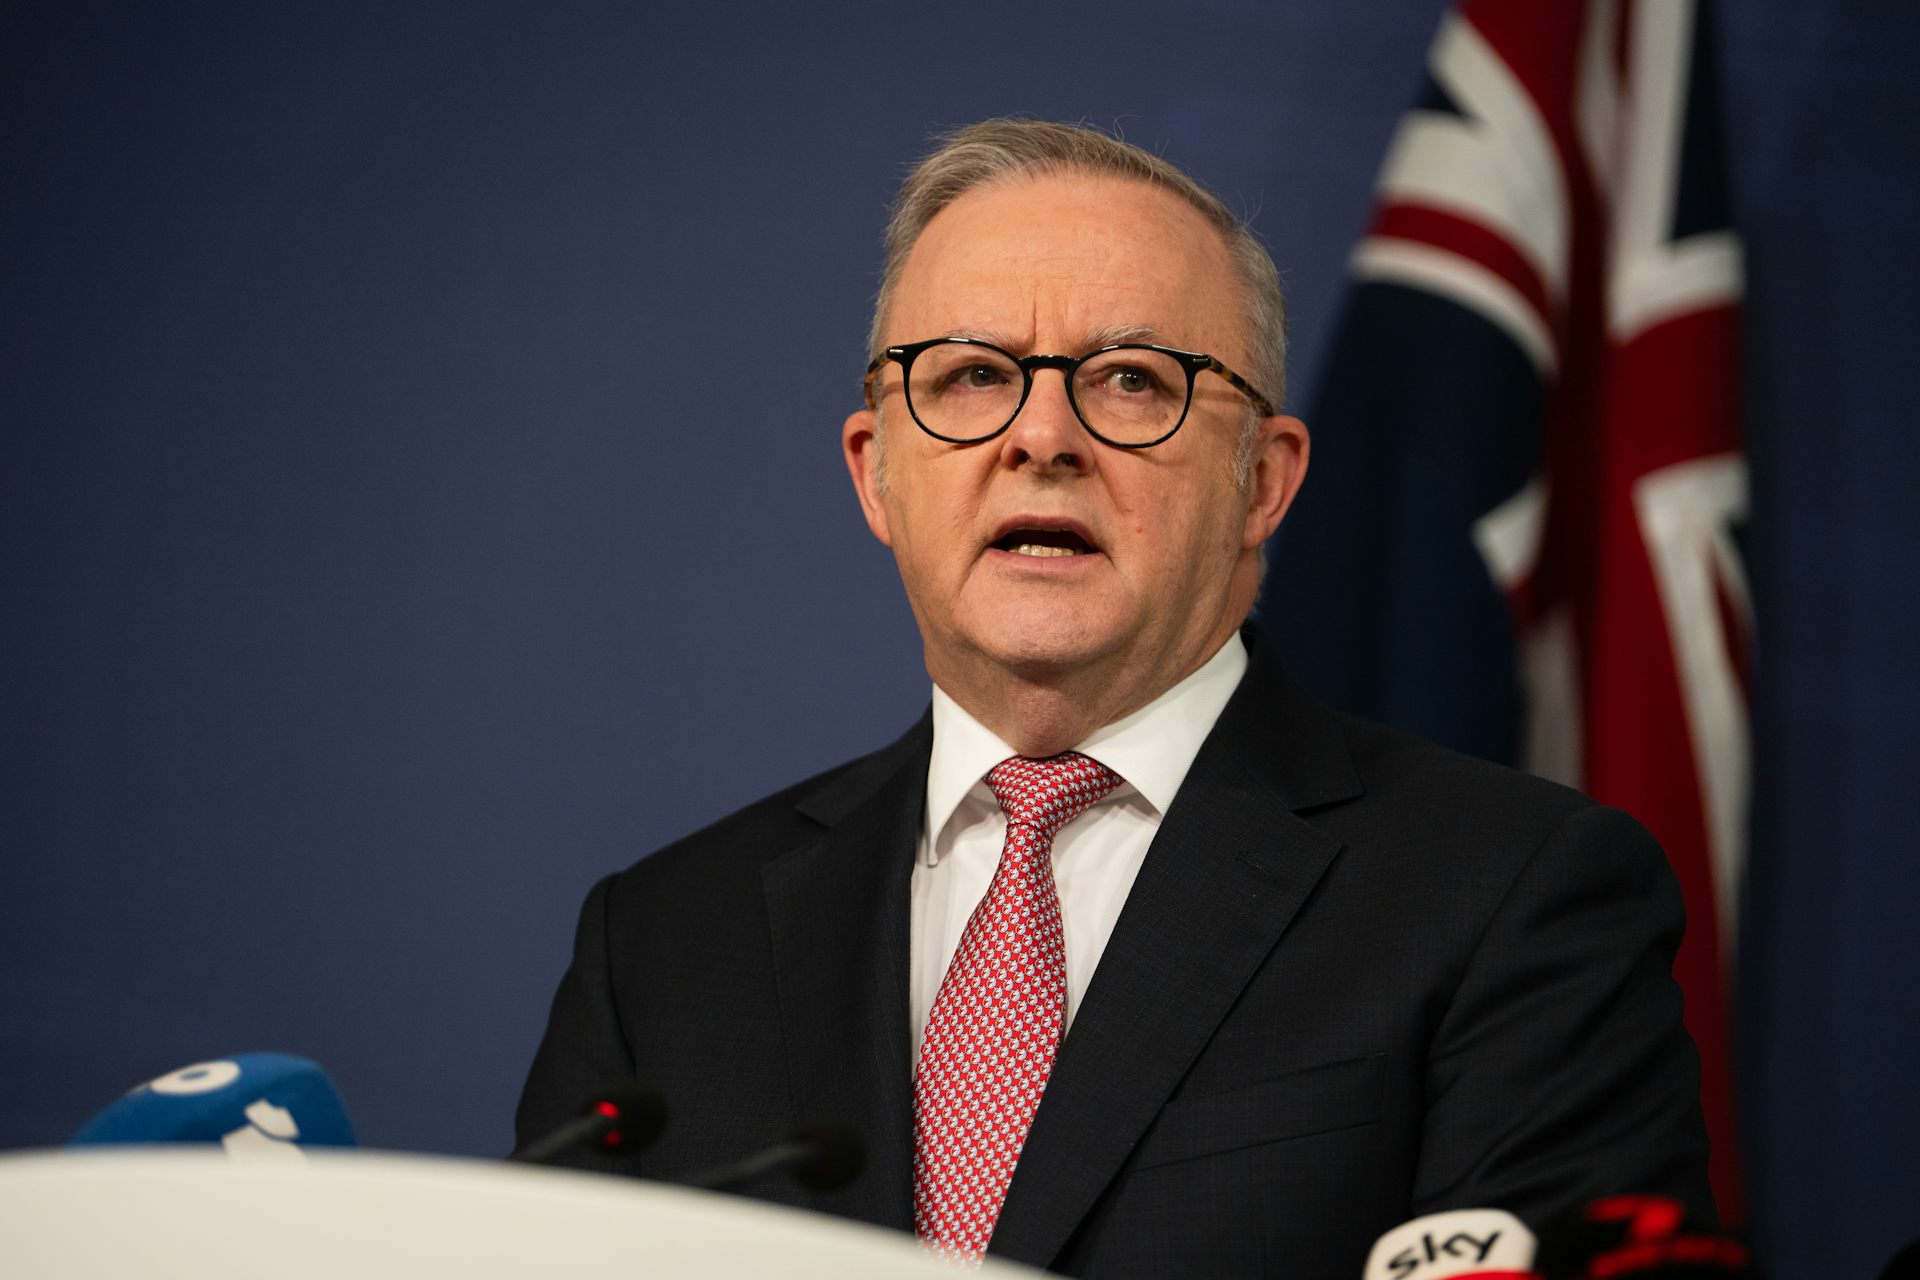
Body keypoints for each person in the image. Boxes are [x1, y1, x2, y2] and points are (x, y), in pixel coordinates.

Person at [516, 119, 1711, 1277]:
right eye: (973, 374)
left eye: (1134, 380)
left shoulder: (1513, 895)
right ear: (877, 472)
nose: (1043, 435)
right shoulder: (666, 943)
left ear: (1264, 481)